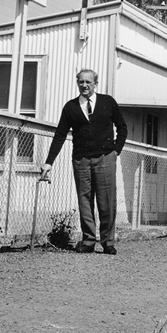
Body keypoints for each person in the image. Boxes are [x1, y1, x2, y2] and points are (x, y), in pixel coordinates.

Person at [41, 69, 127, 254]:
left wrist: (115, 151)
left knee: (106, 202)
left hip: (105, 158)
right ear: (77, 83)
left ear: (95, 83)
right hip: (81, 160)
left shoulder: (108, 102)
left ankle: (108, 242)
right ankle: (88, 241)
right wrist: (49, 162)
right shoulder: (70, 107)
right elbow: (60, 135)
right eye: (81, 82)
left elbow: (122, 127)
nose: (84, 85)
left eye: (88, 82)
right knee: (85, 201)